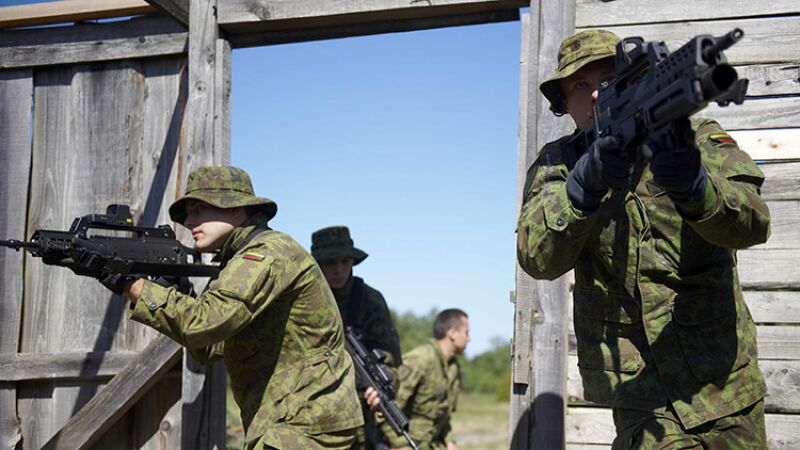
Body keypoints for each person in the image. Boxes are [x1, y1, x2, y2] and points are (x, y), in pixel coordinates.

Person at [516, 29, 771, 449]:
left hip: (727, 385)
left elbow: (754, 222)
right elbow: (536, 258)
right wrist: (583, 187)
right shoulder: (558, 165)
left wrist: (695, 187)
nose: (597, 94)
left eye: (608, 78)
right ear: (564, 101)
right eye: (580, 85)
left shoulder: (696, 138)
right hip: (643, 402)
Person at [117, 166, 364, 449]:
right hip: (291, 423)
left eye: (199, 208)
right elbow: (207, 347)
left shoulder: (267, 253)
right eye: (187, 213)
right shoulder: (238, 262)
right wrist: (178, 291)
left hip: (305, 425)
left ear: (236, 209)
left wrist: (132, 285)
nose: (189, 220)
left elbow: (201, 324)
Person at [311, 226, 402, 449]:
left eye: (345, 261)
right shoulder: (304, 300)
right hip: (313, 414)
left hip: (361, 416)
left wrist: (384, 384)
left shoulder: (370, 300)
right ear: (318, 264)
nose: (339, 269)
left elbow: (390, 358)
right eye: (331, 262)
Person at [368, 309, 469, 450]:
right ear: (452, 333)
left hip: (431, 444)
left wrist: (449, 441)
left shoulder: (453, 368)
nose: (469, 338)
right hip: (404, 442)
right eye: (466, 332)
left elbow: (443, 415)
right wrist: (400, 445)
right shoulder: (421, 360)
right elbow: (388, 406)